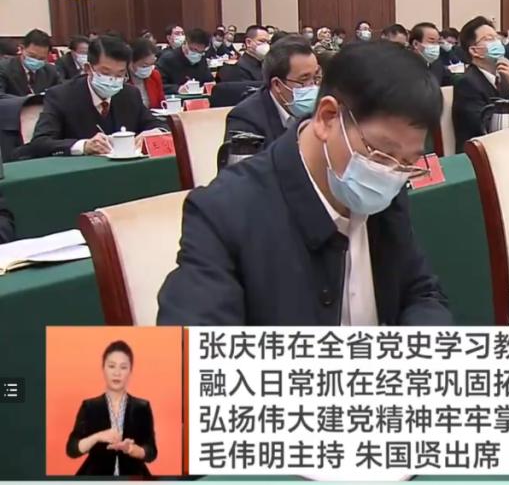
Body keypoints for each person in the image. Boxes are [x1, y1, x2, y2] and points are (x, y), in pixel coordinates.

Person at [158, 42, 453, 326]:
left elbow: (421, 291)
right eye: (382, 152)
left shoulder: (387, 181)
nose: (390, 172)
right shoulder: (226, 211)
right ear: (327, 118)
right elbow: (189, 350)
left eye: (407, 161)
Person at [26, 36, 165, 158]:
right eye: (106, 73)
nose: (113, 80)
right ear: (88, 69)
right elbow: (40, 143)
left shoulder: (130, 94)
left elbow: (158, 125)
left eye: (120, 74)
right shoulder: (61, 96)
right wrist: (84, 146)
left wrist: (154, 133)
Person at [65, 341, 157, 476]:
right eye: (112, 366)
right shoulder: (90, 406)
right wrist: (97, 437)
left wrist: (132, 449)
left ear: (130, 371)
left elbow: (151, 452)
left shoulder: (142, 407)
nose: (117, 373)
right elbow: (72, 449)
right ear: (103, 368)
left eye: (123, 367)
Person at [451, 16, 509, 153]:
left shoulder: (506, 76)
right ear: (474, 50)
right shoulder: (467, 83)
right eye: (489, 39)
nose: (497, 42)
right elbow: (488, 127)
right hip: (481, 154)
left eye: (497, 38)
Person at [225, 38, 320, 146]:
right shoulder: (245, 119)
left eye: (316, 77)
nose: (313, 87)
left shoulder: (322, 109)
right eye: (304, 80)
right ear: (277, 85)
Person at [0, 29, 61, 96]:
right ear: (21, 48)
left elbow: (60, 94)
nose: (36, 60)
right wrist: (27, 100)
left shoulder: (51, 71)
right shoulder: (3, 68)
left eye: (41, 58)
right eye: (32, 56)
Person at [155, 28, 213, 94]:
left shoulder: (201, 58)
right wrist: (178, 89)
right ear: (185, 43)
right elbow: (158, 85)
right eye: (194, 50)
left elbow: (209, 80)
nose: (196, 54)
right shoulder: (168, 59)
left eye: (200, 52)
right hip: (175, 97)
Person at [409, 22, 451, 87]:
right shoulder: (402, 66)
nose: (436, 46)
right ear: (416, 44)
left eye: (438, 42)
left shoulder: (437, 64)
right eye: (432, 42)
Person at [128, 39, 165, 110]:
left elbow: (162, 103)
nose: (148, 69)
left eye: (151, 64)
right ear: (131, 62)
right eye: (144, 66)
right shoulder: (122, 80)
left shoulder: (155, 75)